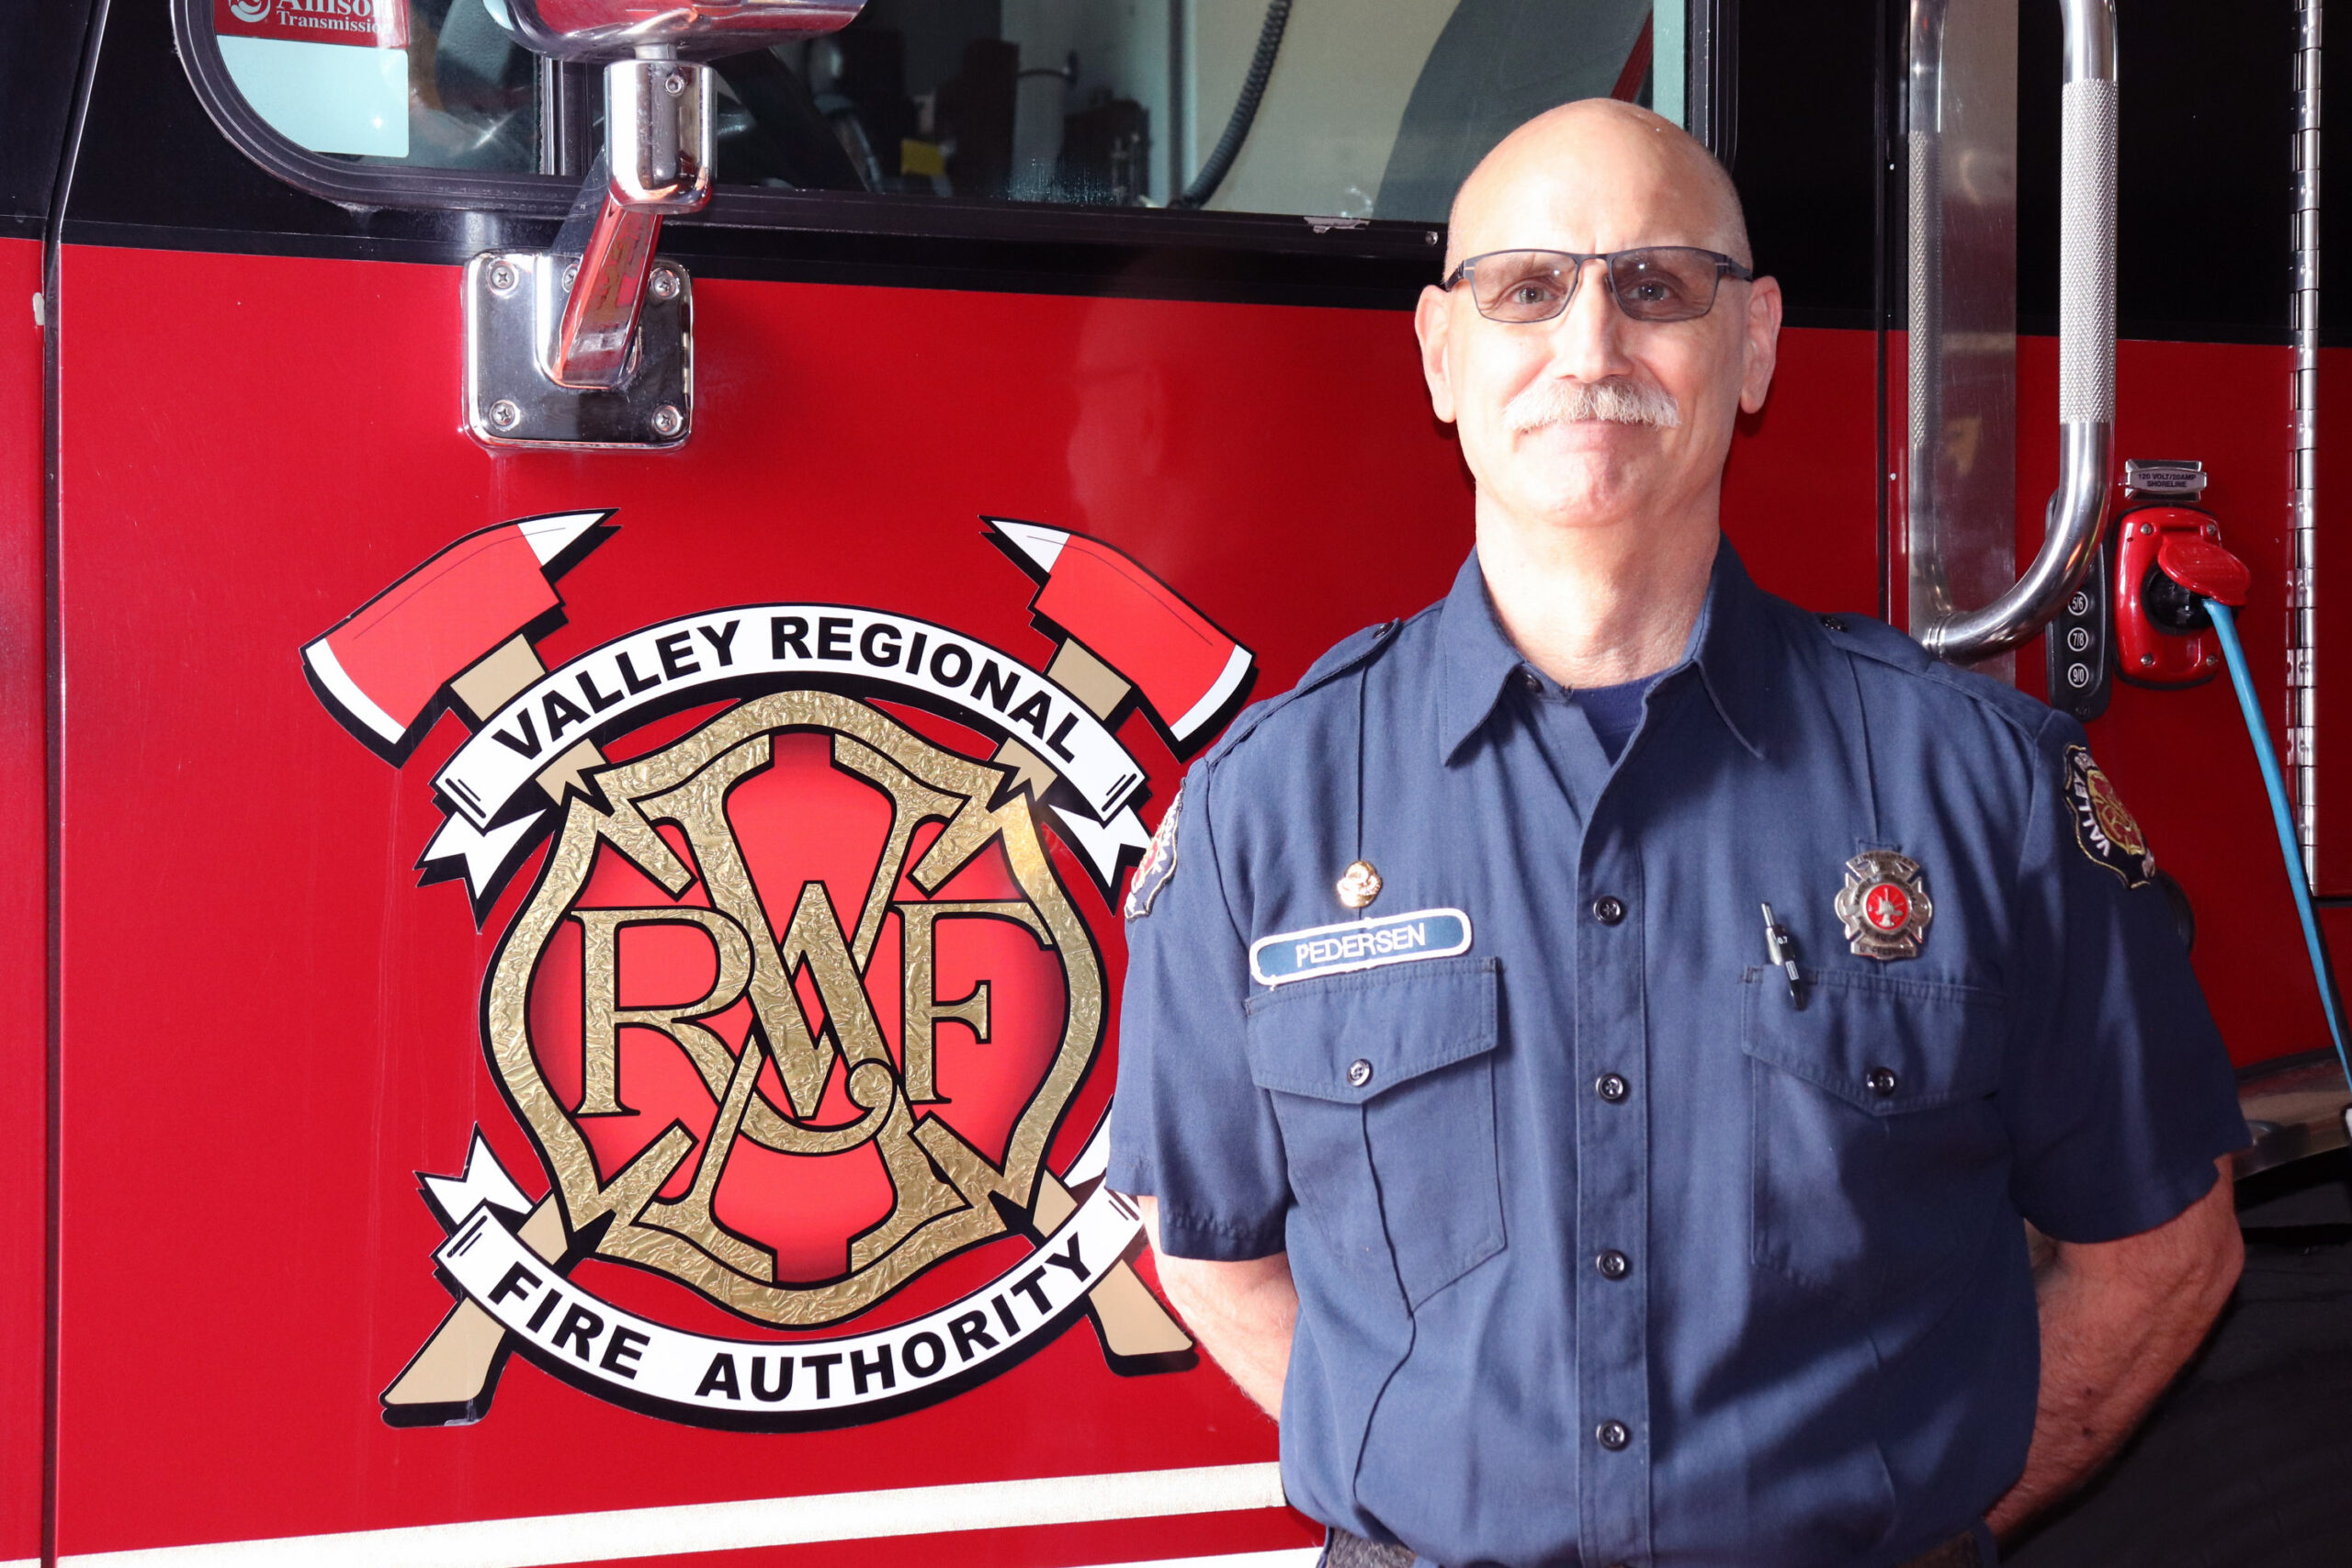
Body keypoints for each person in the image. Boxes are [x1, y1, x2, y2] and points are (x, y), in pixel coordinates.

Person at [1106, 99, 2247, 1568]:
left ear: (1755, 342)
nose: (1589, 346)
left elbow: (2163, 1252)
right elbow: (1210, 1255)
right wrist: (1445, 1484)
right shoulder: (1270, 806)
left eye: (1655, 286)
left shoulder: (1991, 789)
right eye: (1527, 289)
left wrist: (1915, 1528)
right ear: (1443, 356)